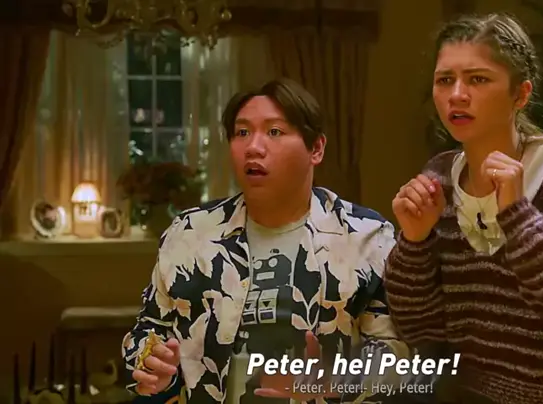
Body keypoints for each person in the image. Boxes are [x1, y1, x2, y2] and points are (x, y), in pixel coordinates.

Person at [383, 13, 543, 404]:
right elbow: (420, 332)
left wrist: (520, 219)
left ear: (520, 95)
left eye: (478, 79)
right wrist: (414, 244)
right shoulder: (438, 179)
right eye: (445, 80)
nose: (457, 95)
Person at [122, 78, 409, 404]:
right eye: (242, 132)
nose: (253, 147)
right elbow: (147, 330)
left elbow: (398, 353)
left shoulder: (366, 236)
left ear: (316, 149)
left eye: (274, 132)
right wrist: (150, 362)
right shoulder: (189, 232)